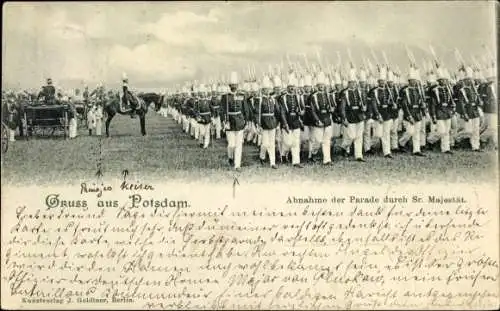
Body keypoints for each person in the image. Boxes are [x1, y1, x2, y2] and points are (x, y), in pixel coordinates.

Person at [398, 65, 426, 156]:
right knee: (410, 132)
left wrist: (422, 108)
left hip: (417, 113)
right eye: (412, 80)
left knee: (417, 132)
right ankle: (401, 143)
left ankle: (416, 150)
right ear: (409, 81)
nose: (414, 82)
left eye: (415, 80)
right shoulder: (405, 91)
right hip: (409, 113)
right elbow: (404, 104)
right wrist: (409, 116)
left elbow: (420, 102)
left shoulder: (417, 90)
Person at [278, 72, 305, 168]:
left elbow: (302, 109)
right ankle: (283, 154)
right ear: (287, 87)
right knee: (288, 142)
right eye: (290, 86)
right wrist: (285, 124)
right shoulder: (283, 98)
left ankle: (296, 162)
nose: (292, 88)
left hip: (296, 122)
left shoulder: (298, 96)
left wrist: (301, 112)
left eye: (293, 86)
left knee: (296, 142)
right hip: (287, 122)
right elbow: (282, 112)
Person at [339, 67, 366, 162]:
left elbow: (363, 102)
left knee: (359, 136)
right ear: (348, 83)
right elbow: (342, 107)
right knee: (351, 136)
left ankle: (358, 155)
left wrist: (364, 108)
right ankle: (343, 146)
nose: (353, 84)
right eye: (351, 82)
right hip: (350, 116)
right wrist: (344, 118)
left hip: (359, 116)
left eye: (354, 82)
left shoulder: (359, 91)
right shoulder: (345, 93)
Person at [309, 71, 334, 165]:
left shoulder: (328, 95)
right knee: (318, 141)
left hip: (327, 120)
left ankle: (327, 160)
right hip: (318, 120)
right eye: (319, 85)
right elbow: (313, 110)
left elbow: (332, 106)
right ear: (317, 86)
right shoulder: (313, 96)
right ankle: (313, 153)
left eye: (322, 85)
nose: (321, 86)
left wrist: (331, 108)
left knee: (326, 141)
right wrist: (317, 120)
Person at [371, 66, 396, 158]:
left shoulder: (388, 91)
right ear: (378, 82)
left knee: (386, 134)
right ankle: (370, 146)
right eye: (381, 81)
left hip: (387, 115)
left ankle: (387, 152)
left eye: (384, 81)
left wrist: (392, 105)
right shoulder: (375, 91)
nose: (382, 82)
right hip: (379, 115)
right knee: (378, 134)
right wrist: (378, 115)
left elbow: (389, 102)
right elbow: (374, 104)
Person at [255, 76, 279, 169]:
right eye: (265, 89)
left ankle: (272, 163)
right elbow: (257, 113)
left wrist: (277, 122)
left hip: (272, 123)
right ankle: (262, 156)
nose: (267, 91)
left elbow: (277, 111)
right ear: (262, 90)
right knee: (265, 143)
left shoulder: (273, 99)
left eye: (268, 89)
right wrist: (258, 124)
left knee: (272, 143)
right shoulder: (260, 100)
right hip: (264, 123)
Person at [429, 67, 455, 154]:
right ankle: (430, 140)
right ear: (439, 81)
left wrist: (452, 108)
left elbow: (451, 101)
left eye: (445, 80)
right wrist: (433, 115)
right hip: (439, 112)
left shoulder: (448, 89)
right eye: (442, 80)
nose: (444, 81)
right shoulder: (435, 90)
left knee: (446, 131)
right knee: (441, 131)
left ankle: (445, 148)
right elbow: (432, 104)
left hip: (447, 112)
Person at [456, 66, 482, 151]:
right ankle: (456, 138)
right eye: (468, 79)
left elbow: (477, 101)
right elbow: (462, 103)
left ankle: (475, 146)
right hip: (468, 111)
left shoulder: (474, 90)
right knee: (468, 131)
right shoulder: (462, 90)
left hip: (475, 111)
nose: (470, 81)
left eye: (471, 79)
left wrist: (479, 102)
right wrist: (465, 114)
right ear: (465, 81)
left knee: (476, 130)